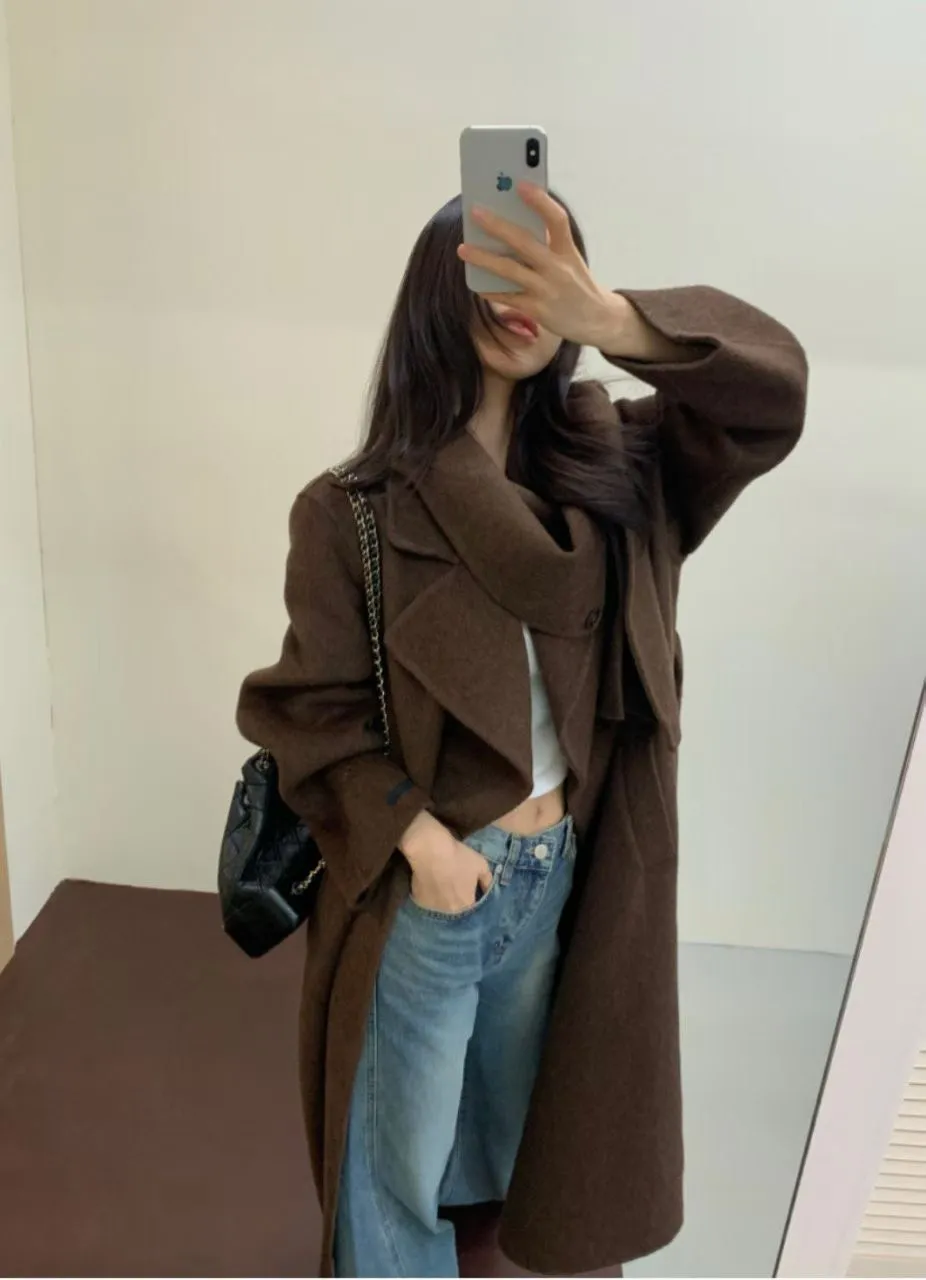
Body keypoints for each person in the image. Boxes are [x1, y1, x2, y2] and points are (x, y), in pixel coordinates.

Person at [236, 184, 808, 1278]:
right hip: (435, 887)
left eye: (546, 266)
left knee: (523, 1151)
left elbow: (770, 399)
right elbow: (308, 711)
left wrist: (617, 322)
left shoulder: (620, 470)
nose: (519, 297)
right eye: (492, 267)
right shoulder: (353, 510)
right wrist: (422, 845)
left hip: (562, 880)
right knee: (394, 1174)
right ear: (435, 294)